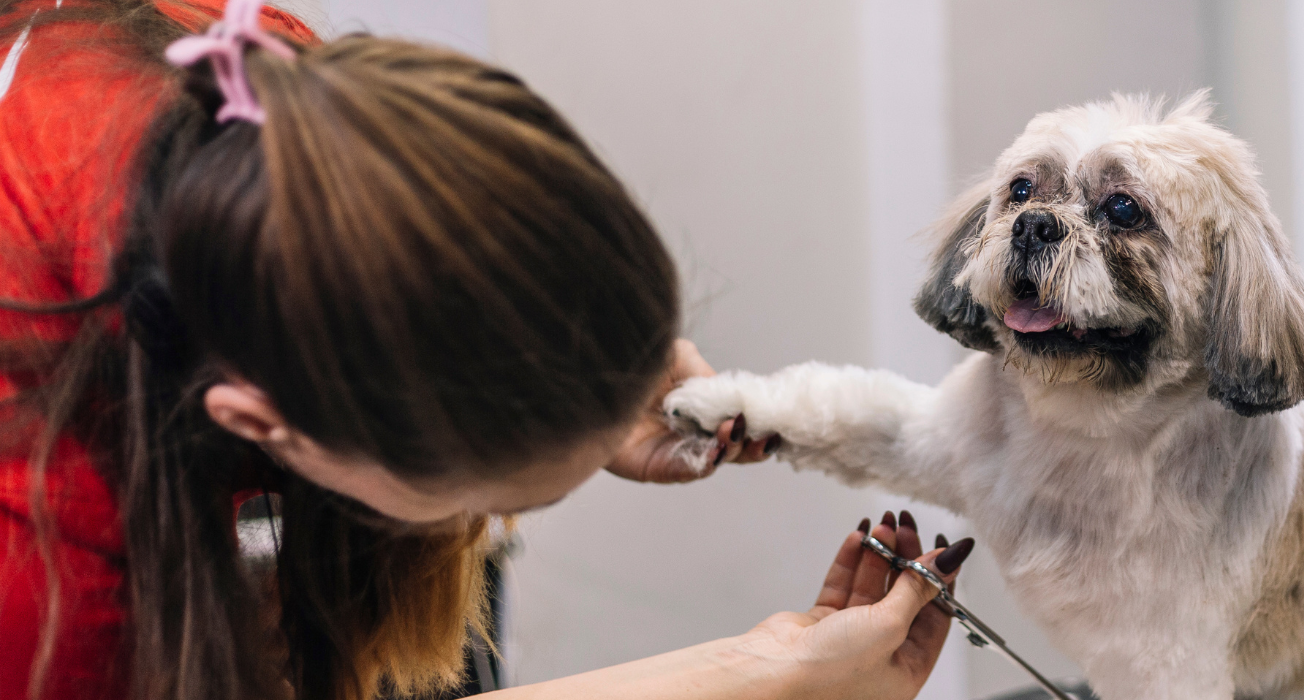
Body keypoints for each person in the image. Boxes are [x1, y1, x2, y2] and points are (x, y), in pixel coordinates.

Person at [0, 1, 974, 699]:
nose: (492, 528)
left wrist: (587, 394)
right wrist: (743, 681)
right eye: (498, 502)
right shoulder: (45, 598)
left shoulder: (278, 116)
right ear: (263, 421)